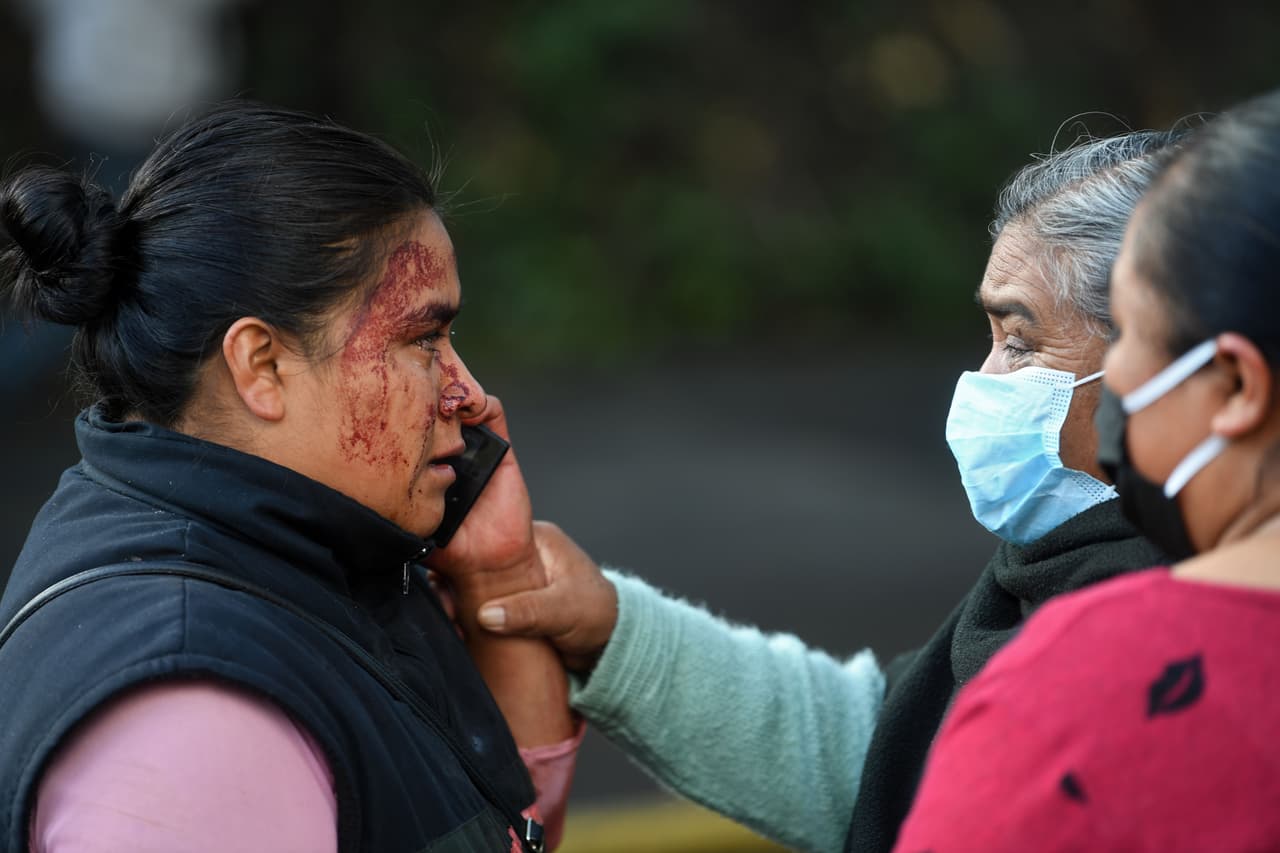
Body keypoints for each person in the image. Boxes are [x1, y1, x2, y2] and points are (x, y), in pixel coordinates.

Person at [461, 128, 1187, 853]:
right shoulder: (1037, 589)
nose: (984, 382)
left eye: (1020, 342)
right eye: (991, 336)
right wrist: (613, 627)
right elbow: (877, 751)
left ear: (1154, 366)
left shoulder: (1167, 666)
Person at [0, 101, 579, 853]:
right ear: (262, 366)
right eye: (423, 339)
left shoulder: (325, 555)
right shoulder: (195, 720)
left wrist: (499, 581)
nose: (465, 391)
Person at [894, 88, 1280, 852]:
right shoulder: (1025, 605)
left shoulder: (1085, 685)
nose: (1127, 376)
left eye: (1135, 328)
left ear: (1235, 384)